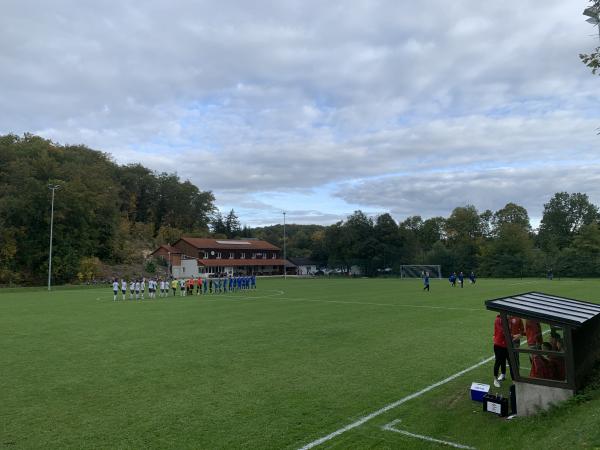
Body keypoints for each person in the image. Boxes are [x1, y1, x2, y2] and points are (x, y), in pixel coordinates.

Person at [493, 314, 513, 387]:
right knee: (498, 362)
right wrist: (513, 335)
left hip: (507, 345)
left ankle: (504, 375)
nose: (510, 316)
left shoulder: (509, 320)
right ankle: (495, 380)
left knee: (510, 362)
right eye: (508, 314)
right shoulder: (498, 320)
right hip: (499, 345)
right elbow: (502, 331)